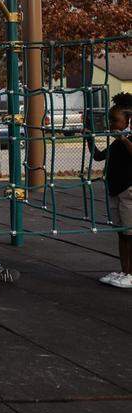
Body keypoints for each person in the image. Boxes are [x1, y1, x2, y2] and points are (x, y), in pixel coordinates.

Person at [87, 92, 132, 287]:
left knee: (130, 235)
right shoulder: (116, 143)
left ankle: (130, 274)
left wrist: (124, 139)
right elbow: (98, 157)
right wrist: (89, 138)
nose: (111, 124)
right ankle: (125, 271)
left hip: (128, 192)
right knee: (122, 234)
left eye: (115, 120)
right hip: (116, 191)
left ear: (129, 121)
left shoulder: (126, 140)